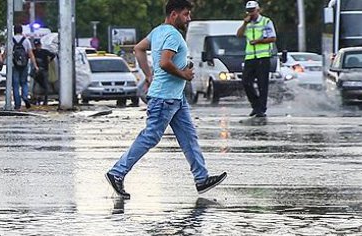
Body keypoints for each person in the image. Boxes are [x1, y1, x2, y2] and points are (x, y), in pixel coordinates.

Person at [105, 0, 227, 199]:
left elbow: (138, 48)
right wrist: (184, 75)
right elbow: (164, 62)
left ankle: (201, 179)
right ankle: (117, 172)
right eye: (186, 14)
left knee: (189, 138)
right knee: (150, 136)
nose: (189, 18)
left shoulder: (157, 32)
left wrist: (148, 76)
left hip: (175, 98)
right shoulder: (171, 34)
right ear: (174, 14)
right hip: (164, 98)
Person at [236, 0, 277, 118]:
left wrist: (259, 41)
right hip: (250, 57)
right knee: (246, 81)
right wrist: (244, 24)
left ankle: (261, 109)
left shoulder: (266, 21)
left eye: (252, 10)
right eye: (249, 11)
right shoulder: (247, 23)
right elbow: (238, 35)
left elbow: (273, 38)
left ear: (258, 10)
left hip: (263, 57)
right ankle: (255, 104)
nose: (251, 13)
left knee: (262, 84)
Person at [11, 24, 38, 110]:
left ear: (14, 31)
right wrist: (35, 65)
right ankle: (25, 96)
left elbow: (6, 53)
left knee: (15, 85)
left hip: (14, 65)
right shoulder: (26, 41)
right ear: (21, 31)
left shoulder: (11, 40)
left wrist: (1, 62)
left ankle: (17, 105)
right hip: (24, 64)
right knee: (24, 82)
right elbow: (31, 54)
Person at [32, 39, 56, 106]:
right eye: (36, 46)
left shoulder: (44, 52)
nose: (37, 47)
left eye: (38, 45)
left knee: (45, 85)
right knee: (35, 86)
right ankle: (35, 99)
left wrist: (49, 61)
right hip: (36, 71)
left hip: (44, 70)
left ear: (41, 45)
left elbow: (53, 55)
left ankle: (45, 100)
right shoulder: (33, 52)